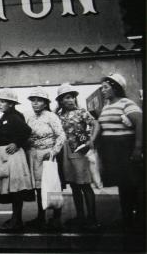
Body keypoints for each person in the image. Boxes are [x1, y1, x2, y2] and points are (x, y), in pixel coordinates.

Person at [97, 73, 144, 231]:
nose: (102, 90)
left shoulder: (126, 103)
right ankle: (127, 219)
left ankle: (140, 221)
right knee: (123, 185)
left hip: (126, 149)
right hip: (113, 152)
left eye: (106, 87)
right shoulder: (106, 106)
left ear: (116, 87)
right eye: (102, 87)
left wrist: (138, 148)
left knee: (134, 185)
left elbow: (140, 123)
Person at [55, 83, 100, 230]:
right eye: (66, 98)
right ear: (60, 101)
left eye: (72, 97)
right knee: (74, 185)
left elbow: (95, 124)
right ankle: (80, 217)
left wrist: (90, 140)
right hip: (65, 152)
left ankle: (92, 218)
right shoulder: (58, 115)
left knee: (85, 184)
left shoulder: (81, 112)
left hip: (80, 150)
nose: (70, 100)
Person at [25, 87, 66, 230]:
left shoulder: (51, 116)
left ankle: (56, 217)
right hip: (33, 155)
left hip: (48, 155)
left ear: (45, 103)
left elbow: (61, 135)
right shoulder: (28, 116)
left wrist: (54, 151)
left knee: (52, 185)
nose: (35, 103)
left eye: (39, 101)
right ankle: (41, 217)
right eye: (33, 100)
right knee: (39, 188)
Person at [0, 89, 34, 231]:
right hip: (6, 157)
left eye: (3, 101)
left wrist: (16, 143)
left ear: (11, 104)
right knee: (12, 188)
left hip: (13, 157)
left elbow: (27, 131)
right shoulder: (5, 116)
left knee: (16, 188)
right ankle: (16, 218)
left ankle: (16, 220)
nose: (0, 104)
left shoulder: (15, 116)